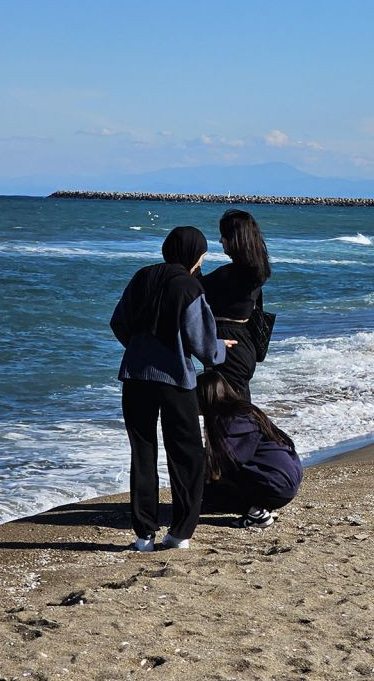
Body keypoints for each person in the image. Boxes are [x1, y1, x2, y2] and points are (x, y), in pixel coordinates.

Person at [110, 227, 231, 551]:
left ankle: (143, 535)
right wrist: (221, 348)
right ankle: (180, 532)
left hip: (135, 377)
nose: (203, 259)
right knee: (186, 453)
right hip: (176, 381)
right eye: (203, 253)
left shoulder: (142, 277)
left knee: (143, 452)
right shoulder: (190, 286)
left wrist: (139, 348)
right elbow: (203, 345)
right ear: (193, 254)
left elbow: (118, 322)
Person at [197, 370, 303, 528]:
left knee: (210, 489)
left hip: (278, 484)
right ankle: (261, 506)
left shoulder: (233, 419)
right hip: (285, 478)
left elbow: (227, 459)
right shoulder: (244, 410)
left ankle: (256, 513)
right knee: (210, 483)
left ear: (205, 396)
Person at [202, 209, 272, 403]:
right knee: (238, 409)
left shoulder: (228, 275)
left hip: (229, 346)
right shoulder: (256, 272)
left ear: (235, 239)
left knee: (227, 412)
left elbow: (193, 288)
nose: (220, 241)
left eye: (223, 236)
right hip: (243, 343)